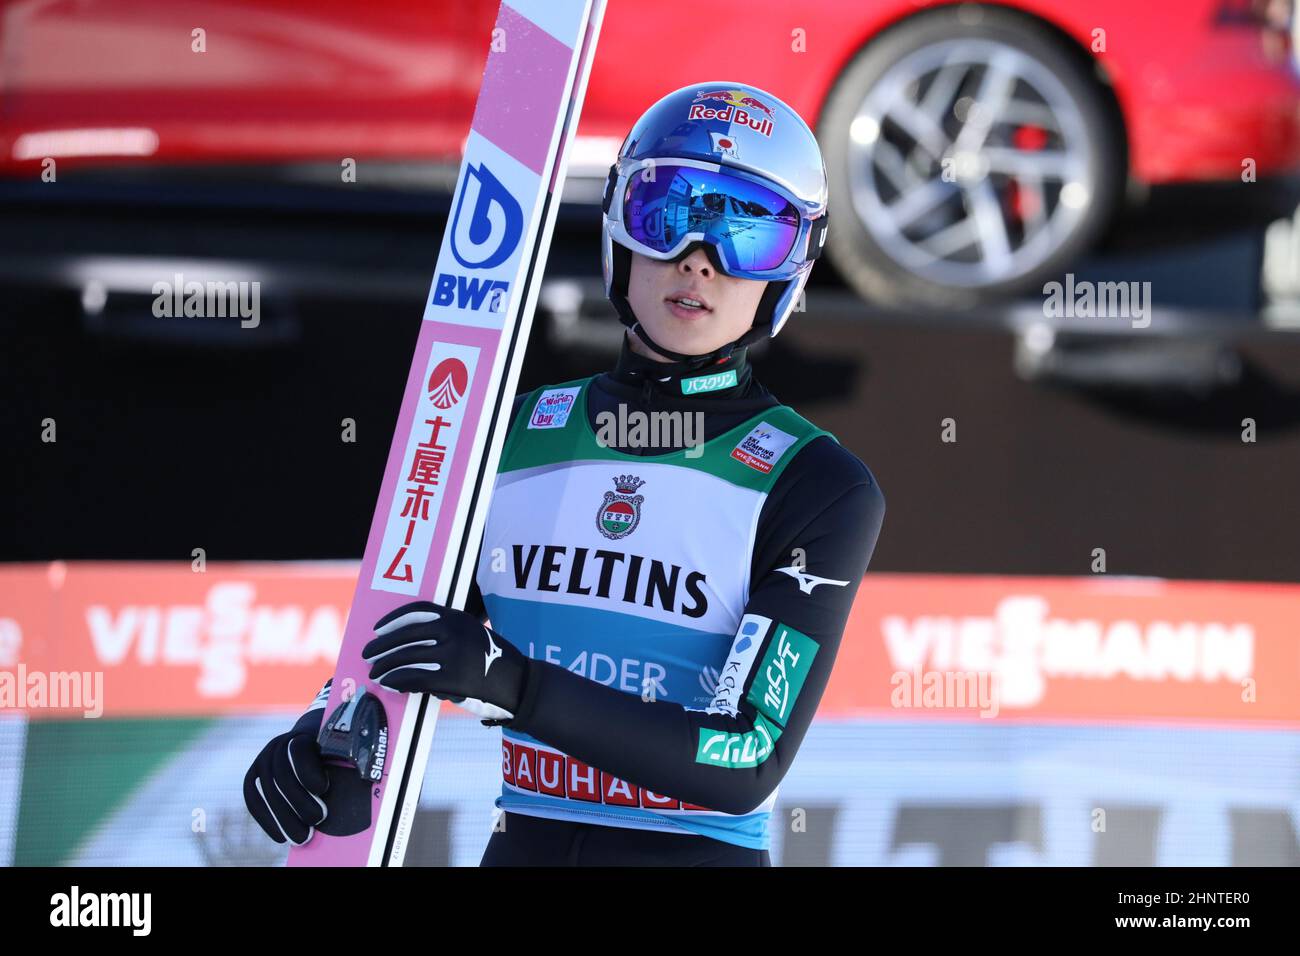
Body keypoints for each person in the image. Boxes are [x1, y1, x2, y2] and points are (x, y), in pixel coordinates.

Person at [244, 81, 885, 866]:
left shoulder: (816, 483)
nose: (699, 262)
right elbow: (407, 633)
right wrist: (321, 734)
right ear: (619, 226)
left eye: (747, 232)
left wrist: (510, 682)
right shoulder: (507, 431)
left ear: (791, 270)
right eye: (669, 212)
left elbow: (745, 757)